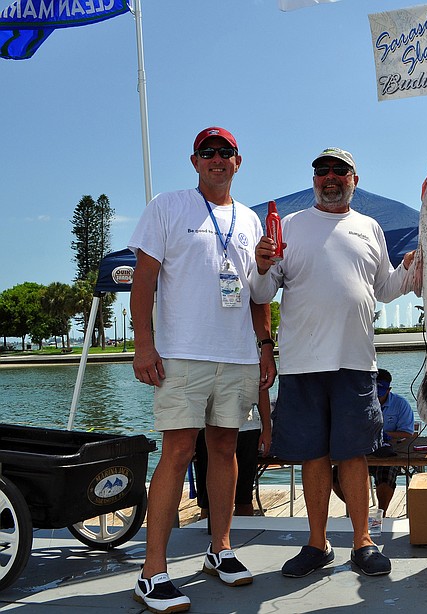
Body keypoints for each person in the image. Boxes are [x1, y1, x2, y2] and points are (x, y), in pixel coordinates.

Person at [129, 126, 276, 612]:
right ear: (195, 162)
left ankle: (221, 548)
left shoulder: (252, 220)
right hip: (183, 353)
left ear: (239, 162)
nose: (217, 159)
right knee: (176, 451)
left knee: (226, 447)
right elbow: (144, 283)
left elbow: (258, 295)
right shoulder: (168, 207)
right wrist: (143, 345)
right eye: (207, 152)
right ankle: (152, 572)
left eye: (225, 152)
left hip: (236, 354)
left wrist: (266, 348)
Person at [250, 147, 411, 578]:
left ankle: (363, 541)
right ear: (314, 180)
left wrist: (413, 269)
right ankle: (316, 544)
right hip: (302, 364)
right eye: (322, 172)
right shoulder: (288, 227)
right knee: (313, 455)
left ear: (354, 178)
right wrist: (262, 266)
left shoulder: (370, 227)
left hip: (356, 362)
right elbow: (263, 293)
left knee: (355, 454)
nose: (330, 177)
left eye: (340, 171)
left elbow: (388, 288)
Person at [331, 368, 415, 514]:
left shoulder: (401, 404)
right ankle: (359, 509)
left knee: (386, 476)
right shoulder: (357, 402)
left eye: (381, 389)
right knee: (335, 477)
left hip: (387, 452)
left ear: (389, 389)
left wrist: (385, 434)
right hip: (361, 450)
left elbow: (408, 433)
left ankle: (380, 513)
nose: (377, 393)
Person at [195, 389, 272, 518]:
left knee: (243, 497)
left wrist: (267, 429)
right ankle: (207, 534)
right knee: (208, 501)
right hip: (207, 427)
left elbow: (261, 388)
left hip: (247, 428)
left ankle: (245, 534)